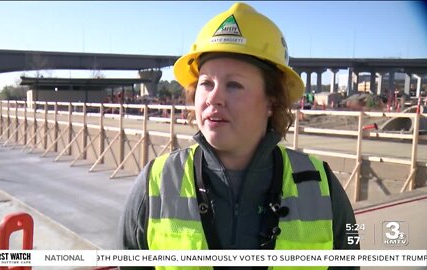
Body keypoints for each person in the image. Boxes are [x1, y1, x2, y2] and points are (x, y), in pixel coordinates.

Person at [119, 2, 359, 269]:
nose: (214, 97)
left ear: (272, 101)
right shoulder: (156, 184)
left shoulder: (320, 187)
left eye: (234, 85)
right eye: (206, 83)